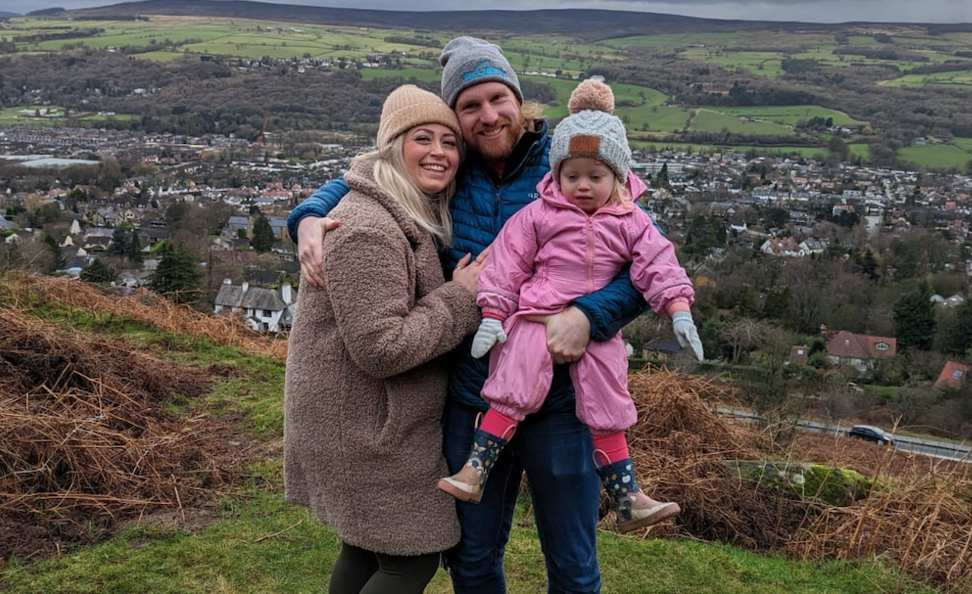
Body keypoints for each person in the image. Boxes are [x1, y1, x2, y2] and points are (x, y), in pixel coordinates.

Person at [288, 37, 675, 594]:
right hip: (472, 395)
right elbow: (374, 170)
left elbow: (648, 261)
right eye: (469, 107)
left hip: (564, 401)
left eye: (498, 98)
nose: (488, 116)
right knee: (470, 558)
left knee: (571, 562)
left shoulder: (571, 163)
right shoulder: (456, 164)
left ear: (520, 101)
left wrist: (590, 315)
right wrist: (309, 214)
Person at [436, 79, 703, 533]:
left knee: (608, 398)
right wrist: (494, 317)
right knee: (512, 381)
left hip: (594, 336)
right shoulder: (537, 213)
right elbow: (505, 265)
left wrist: (677, 306)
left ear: (617, 178)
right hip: (531, 317)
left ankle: (628, 495)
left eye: (595, 177)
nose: (581, 187)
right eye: (572, 176)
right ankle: (475, 469)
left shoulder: (631, 220)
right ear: (556, 173)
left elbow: (658, 262)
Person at [283, 84, 487, 594]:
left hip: (360, 416)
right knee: (410, 559)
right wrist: (461, 298)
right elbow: (382, 348)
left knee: (367, 546)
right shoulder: (368, 228)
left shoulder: (400, 208)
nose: (440, 152)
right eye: (424, 138)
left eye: (450, 141)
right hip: (366, 426)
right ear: (393, 146)